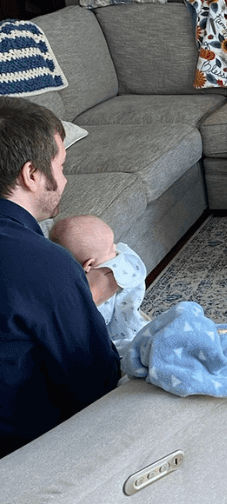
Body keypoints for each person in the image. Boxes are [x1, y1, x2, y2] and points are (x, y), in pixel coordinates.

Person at [0, 97, 121, 458]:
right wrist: (88, 301)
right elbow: (96, 384)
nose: (65, 179)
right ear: (32, 174)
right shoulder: (43, 263)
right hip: (29, 454)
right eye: (62, 165)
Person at [50, 215, 149, 358]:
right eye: (110, 249)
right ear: (88, 264)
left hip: (128, 327)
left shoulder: (100, 278)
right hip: (126, 337)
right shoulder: (119, 264)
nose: (116, 248)